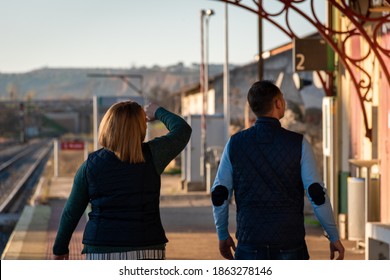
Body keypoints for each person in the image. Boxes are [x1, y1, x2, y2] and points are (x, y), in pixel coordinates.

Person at [211, 80, 345, 260]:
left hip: (249, 242)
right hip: (290, 243)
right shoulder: (298, 144)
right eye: (283, 99)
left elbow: (219, 194)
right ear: (278, 103)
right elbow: (316, 194)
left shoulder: (234, 144)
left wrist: (222, 234)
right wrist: (333, 236)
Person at [53, 101, 191, 260]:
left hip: (101, 249)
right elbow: (182, 130)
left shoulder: (90, 166)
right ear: (140, 129)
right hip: (148, 247)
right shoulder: (154, 155)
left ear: (107, 126)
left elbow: (72, 212)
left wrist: (60, 248)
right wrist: (158, 111)